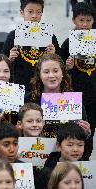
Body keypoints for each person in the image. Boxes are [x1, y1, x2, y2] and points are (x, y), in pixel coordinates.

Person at [25, 53, 91, 160]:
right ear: (40, 75)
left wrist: (86, 133)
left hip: (67, 161)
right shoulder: (28, 100)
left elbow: (81, 138)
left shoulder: (73, 100)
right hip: (37, 157)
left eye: (55, 71)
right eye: (46, 72)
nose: (51, 75)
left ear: (62, 73)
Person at [60, 1, 96, 163]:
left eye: (88, 20)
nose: (85, 24)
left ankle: (85, 168)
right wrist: (67, 67)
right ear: (74, 20)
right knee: (74, 133)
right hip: (75, 98)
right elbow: (58, 72)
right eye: (81, 20)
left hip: (93, 98)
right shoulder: (68, 43)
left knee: (89, 135)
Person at [2, 0, 60, 92]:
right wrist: (10, 59)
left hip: (44, 87)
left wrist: (54, 55)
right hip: (20, 87)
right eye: (30, 12)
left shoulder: (50, 37)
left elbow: (60, 65)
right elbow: (1, 63)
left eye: (38, 12)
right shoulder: (13, 36)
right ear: (22, 12)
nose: (34, 16)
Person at [36, 123, 86, 189]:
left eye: (80, 145)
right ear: (58, 146)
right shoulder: (46, 172)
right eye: (70, 145)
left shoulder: (88, 169)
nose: (75, 149)